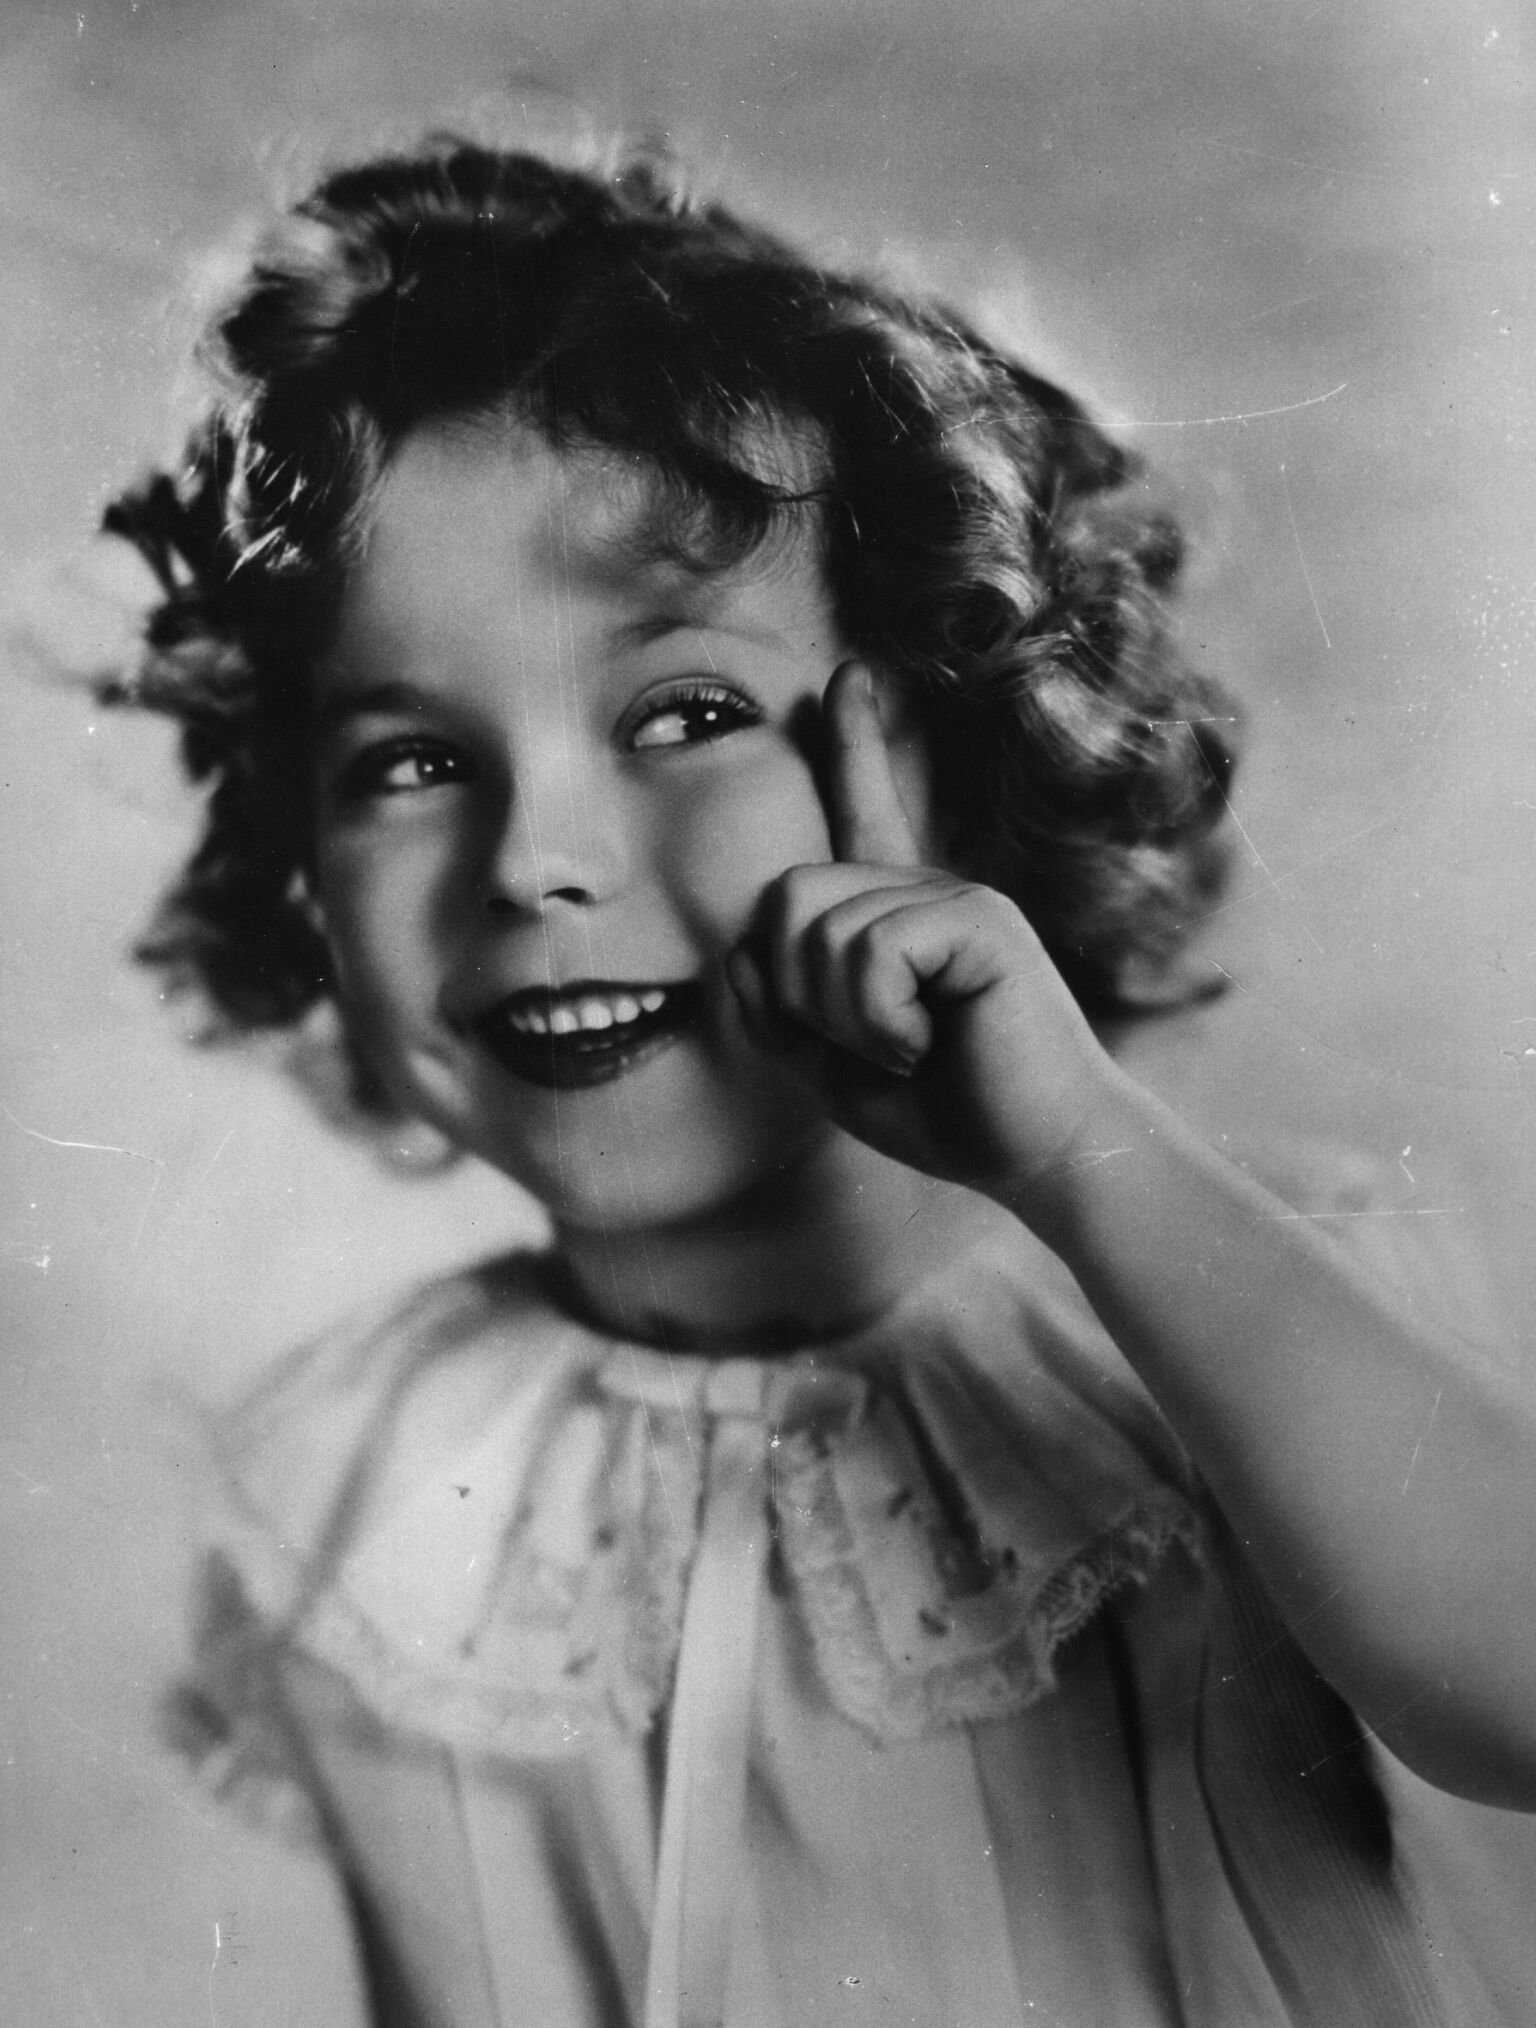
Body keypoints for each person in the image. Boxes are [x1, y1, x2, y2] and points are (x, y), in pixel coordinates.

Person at [99, 136, 1536, 2026]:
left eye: (685, 715)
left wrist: (1088, 1158)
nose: (538, 857)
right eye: (408, 760)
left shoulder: (1247, 1300)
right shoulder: (364, 1483)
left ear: (945, 743)